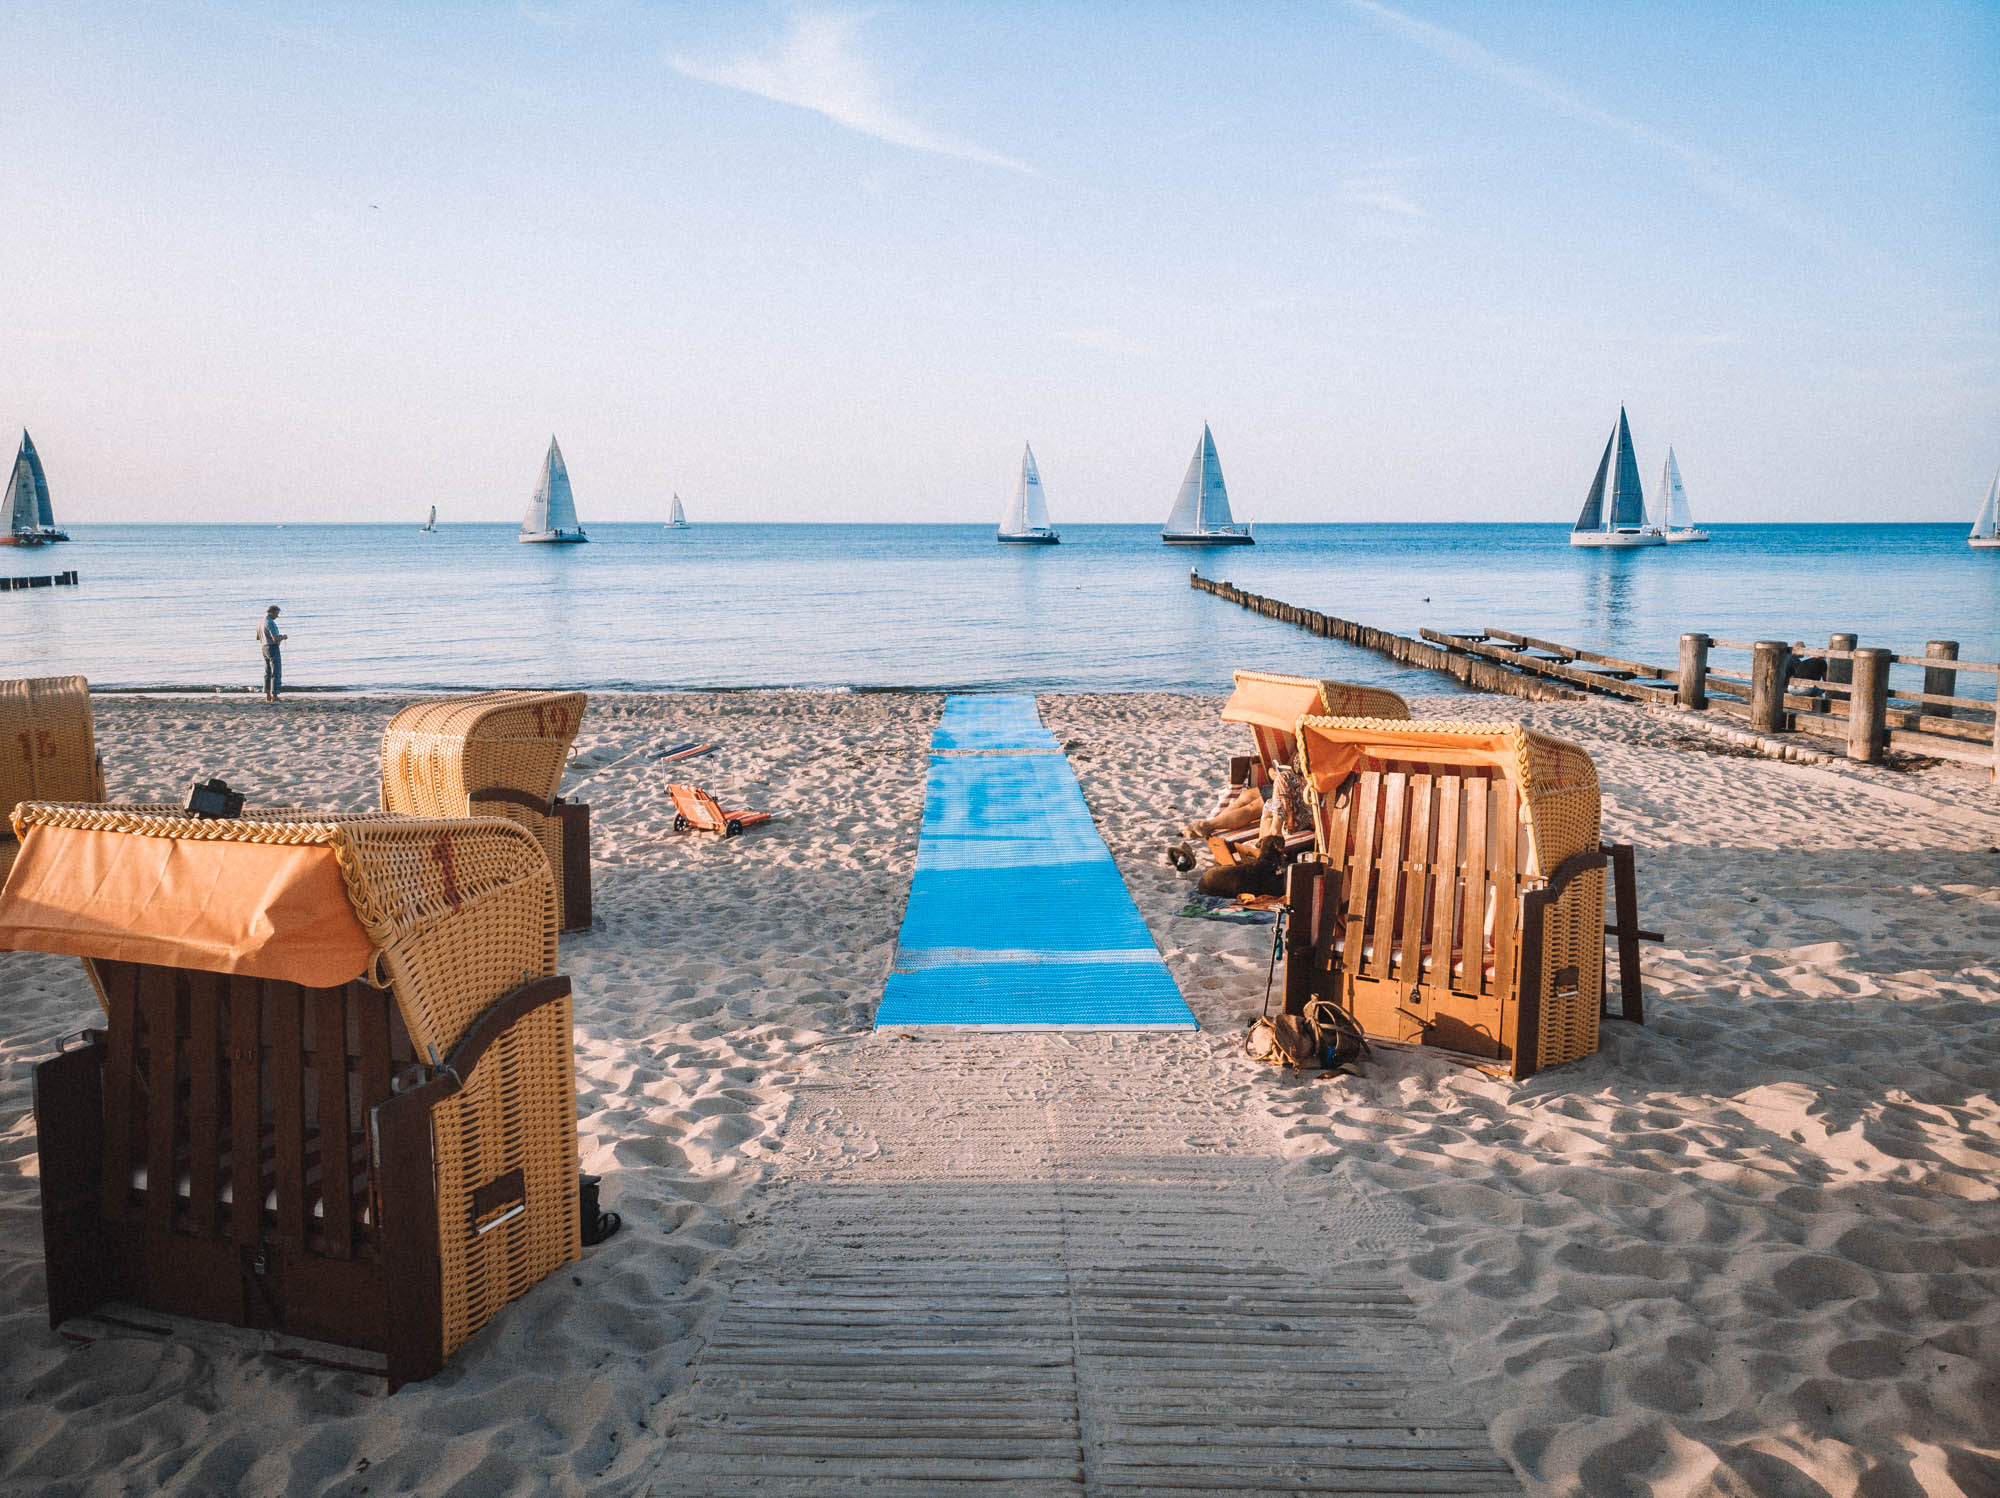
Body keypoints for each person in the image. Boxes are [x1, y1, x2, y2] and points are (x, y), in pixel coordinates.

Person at [259, 606, 287, 700]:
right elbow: (275, 639)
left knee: (267, 672)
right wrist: (282, 637)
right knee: (276, 672)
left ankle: (268, 695)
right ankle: (275, 695)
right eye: (277, 613)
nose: (277, 616)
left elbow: (258, 637)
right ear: (271, 612)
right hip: (272, 647)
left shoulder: (261, 622)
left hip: (264, 647)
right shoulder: (270, 622)